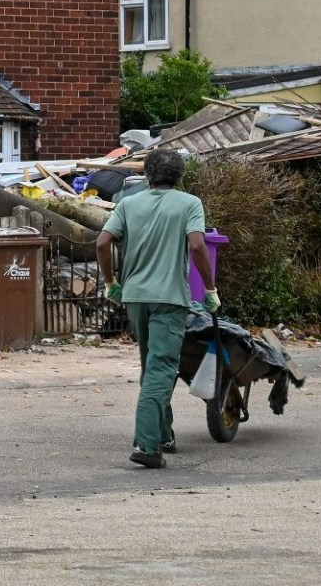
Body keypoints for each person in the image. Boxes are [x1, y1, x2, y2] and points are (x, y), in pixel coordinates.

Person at [96, 148, 219, 469]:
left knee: (152, 366)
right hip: (169, 298)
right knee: (163, 367)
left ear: (148, 176)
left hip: (135, 297)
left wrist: (110, 282)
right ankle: (147, 444)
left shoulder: (128, 204)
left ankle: (163, 434)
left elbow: (102, 242)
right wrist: (209, 289)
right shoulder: (189, 203)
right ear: (180, 176)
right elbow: (197, 245)